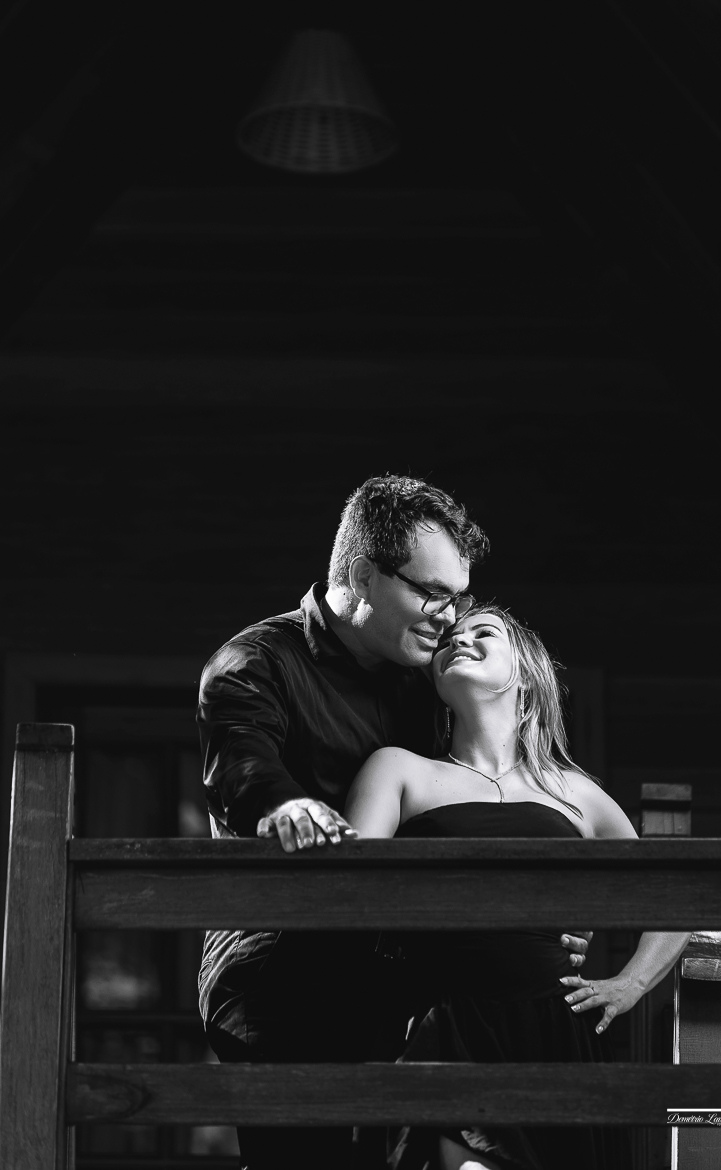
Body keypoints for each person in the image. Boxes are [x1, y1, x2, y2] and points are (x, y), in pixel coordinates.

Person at [197, 474, 591, 1170]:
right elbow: (243, 764)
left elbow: (481, 797)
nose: (448, 615)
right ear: (361, 577)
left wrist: (540, 913)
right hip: (285, 970)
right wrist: (286, 807)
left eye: (457, 596)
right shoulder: (253, 663)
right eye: (431, 592)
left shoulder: (430, 678)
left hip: (413, 969)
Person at [344, 603, 691, 1170]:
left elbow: (675, 897)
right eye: (448, 640)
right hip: (443, 1016)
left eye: (483, 633)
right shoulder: (400, 769)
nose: (459, 641)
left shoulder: (575, 793)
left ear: (526, 675)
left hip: (554, 1027)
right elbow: (343, 893)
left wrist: (628, 984)